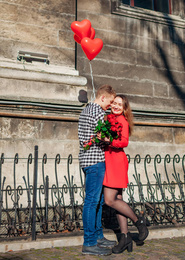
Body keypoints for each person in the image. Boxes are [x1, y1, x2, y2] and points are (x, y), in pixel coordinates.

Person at [102, 95, 149, 254]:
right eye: (114, 103)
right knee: (118, 200)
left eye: (119, 104)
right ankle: (125, 237)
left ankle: (138, 221)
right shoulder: (108, 118)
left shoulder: (121, 120)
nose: (115, 106)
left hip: (116, 161)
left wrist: (109, 140)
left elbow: (124, 141)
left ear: (124, 108)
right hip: (110, 160)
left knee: (109, 200)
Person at [78, 84, 117, 256]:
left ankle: (97, 236)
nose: (109, 106)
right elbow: (104, 138)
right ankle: (89, 242)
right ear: (102, 98)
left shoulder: (85, 110)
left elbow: (85, 138)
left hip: (87, 160)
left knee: (98, 201)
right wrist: (111, 138)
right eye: (109, 103)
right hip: (95, 161)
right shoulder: (99, 112)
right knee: (92, 202)